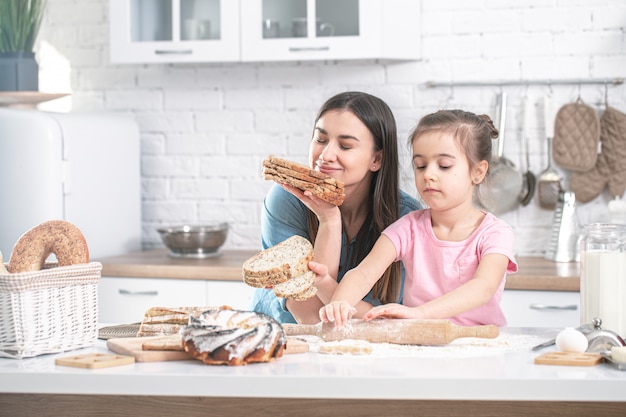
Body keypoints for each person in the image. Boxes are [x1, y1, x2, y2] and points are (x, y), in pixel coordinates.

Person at [317, 109, 518, 327]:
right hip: (421, 343)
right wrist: (340, 302)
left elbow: (483, 287)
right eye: (420, 165)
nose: (428, 175)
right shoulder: (408, 228)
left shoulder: (495, 233)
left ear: (477, 172)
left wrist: (420, 313)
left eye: (444, 166)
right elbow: (363, 273)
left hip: (478, 346)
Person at [250, 91, 421, 324]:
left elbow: (386, 321)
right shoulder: (287, 199)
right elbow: (313, 319)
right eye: (320, 140)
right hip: (285, 340)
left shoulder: (405, 218)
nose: (326, 155)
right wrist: (329, 220)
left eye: (345, 146)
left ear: (377, 160)